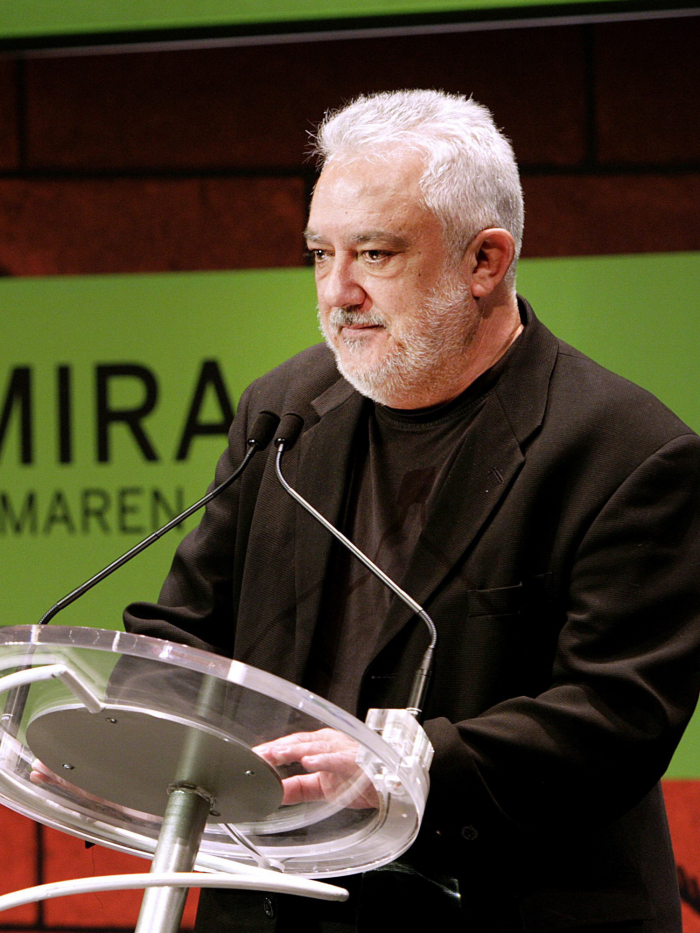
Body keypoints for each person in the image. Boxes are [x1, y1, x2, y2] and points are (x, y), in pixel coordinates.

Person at [125, 90, 700, 932]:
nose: (338, 291)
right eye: (320, 253)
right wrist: (120, 727)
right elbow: (187, 627)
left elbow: (616, 719)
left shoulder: (626, 451)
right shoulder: (283, 412)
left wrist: (400, 770)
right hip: (273, 905)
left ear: (486, 261)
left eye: (375, 253)